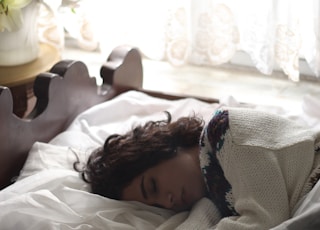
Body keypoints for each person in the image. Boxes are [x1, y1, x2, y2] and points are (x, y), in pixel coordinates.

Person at [78, 108, 320, 229]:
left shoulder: (224, 133)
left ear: (162, 148)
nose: (168, 201)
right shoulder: (213, 184)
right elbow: (204, 217)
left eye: (153, 186)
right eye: (158, 206)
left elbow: (264, 220)